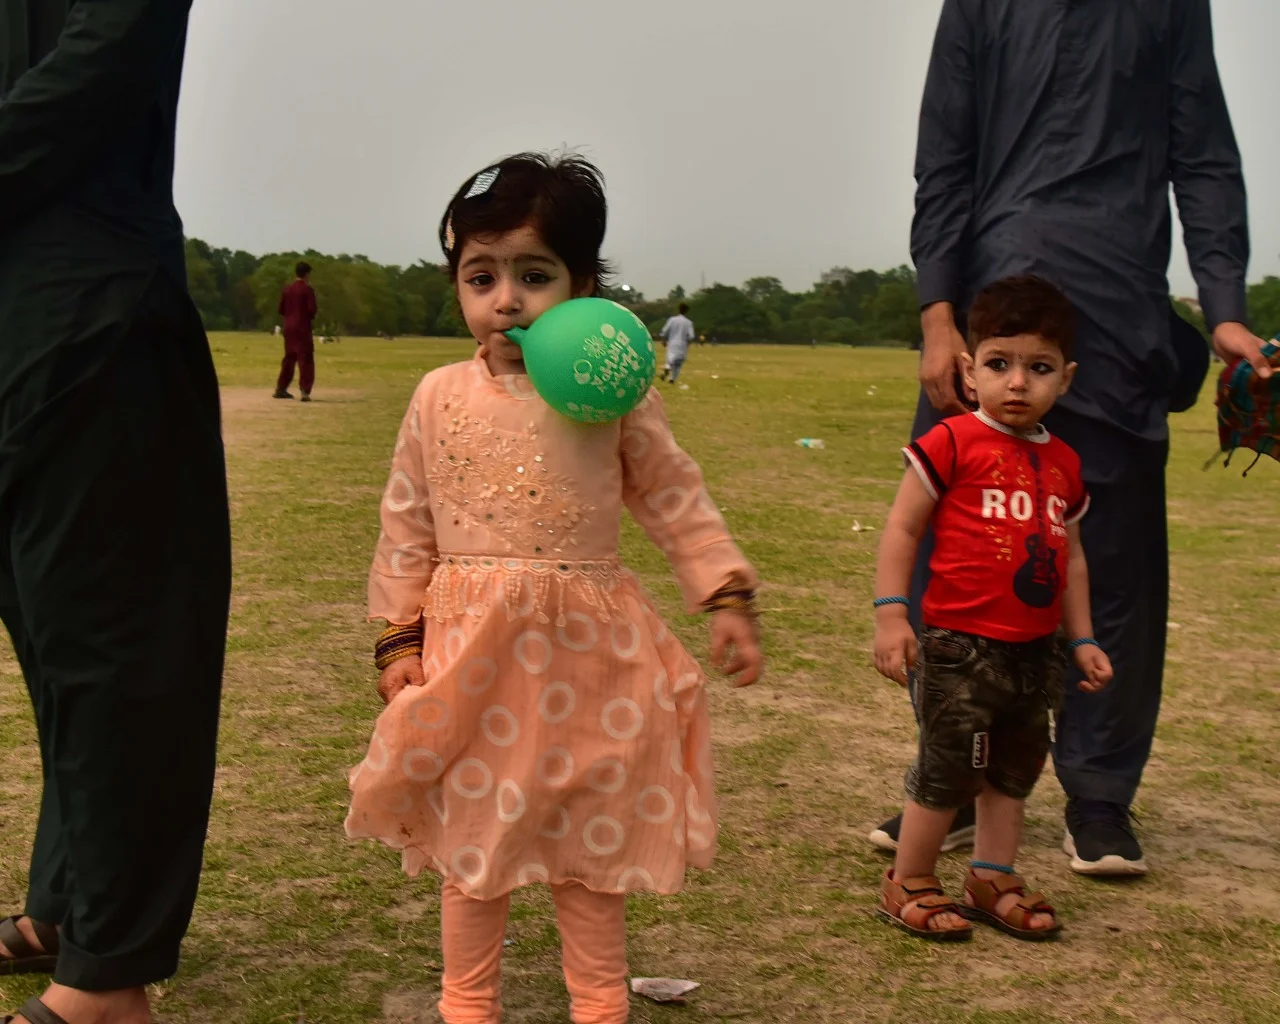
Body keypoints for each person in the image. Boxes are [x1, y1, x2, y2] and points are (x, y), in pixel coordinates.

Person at [343, 153, 764, 1024]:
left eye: (535, 276)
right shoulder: (435, 395)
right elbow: (406, 522)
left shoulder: (610, 393)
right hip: (472, 661)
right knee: (473, 846)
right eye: (481, 276)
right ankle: (468, 1005)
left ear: (583, 285)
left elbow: (672, 492)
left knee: (590, 845)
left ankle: (600, 1006)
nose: (506, 300)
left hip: (591, 661)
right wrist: (399, 637)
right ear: (458, 285)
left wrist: (723, 594)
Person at [870, 0, 1275, 876]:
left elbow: (1204, 157)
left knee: (1116, 568)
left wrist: (1226, 310)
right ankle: (956, 776)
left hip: (1117, 322)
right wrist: (940, 319)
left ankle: (1098, 795)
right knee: (958, 556)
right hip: (994, 312)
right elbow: (945, 161)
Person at [0, 3, 231, 1024]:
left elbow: (104, 60)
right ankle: (70, 910)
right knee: (54, 641)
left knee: (108, 645)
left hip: (85, 311)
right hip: (22, 315)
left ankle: (106, 980)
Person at [873, 275, 1113, 942]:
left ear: (1064, 379)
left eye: (1037, 369)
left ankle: (992, 875)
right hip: (960, 645)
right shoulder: (951, 442)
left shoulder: (1064, 462)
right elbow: (901, 530)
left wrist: (1083, 638)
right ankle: (909, 879)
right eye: (999, 364)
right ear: (968, 371)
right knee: (949, 767)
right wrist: (892, 612)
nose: (1017, 384)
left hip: (1034, 651)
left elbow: (1074, 560)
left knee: (1014, 768)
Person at [274, 261, 318, 401]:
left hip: (288, 327)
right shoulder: (307, 290)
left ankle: (281, 388)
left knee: (289, 358)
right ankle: (305, 390)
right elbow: (312, 310)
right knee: (305, 359)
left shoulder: (287, 289)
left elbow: (281, 309)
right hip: (302, 328)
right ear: (307, 274)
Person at [658, 303, 695, 383]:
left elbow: (664, 331)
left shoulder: (672, 320)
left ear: (679, 309)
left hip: (672, 343)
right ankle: (672, 379)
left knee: (670, 359)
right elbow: (691, 336)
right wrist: (688, 343)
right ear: (687, 311)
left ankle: (667, 367)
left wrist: (663, 340)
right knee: (678, 363)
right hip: (683, 344)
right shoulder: (688, 323)